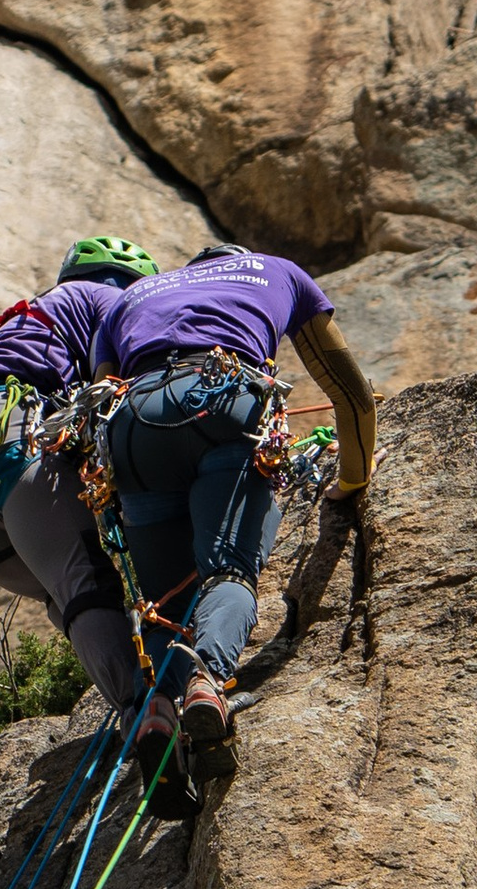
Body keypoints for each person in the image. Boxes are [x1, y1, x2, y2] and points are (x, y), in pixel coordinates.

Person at [90, 242, 377, 783]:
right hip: (226, 400)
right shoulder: (279, 271)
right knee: (227, 570)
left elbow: (99, 395)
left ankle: (157, 711)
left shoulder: (129, 298)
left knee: (161, 601)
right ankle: (208, 680)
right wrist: (352, 479)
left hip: (134, 426)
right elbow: (352, 393)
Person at [0, 237, 156, 723]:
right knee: (86, 585)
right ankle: (150, 713)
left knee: (66, 593)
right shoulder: (105, 298)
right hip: (8, 440)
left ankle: (136, 695)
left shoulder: (26, 320)